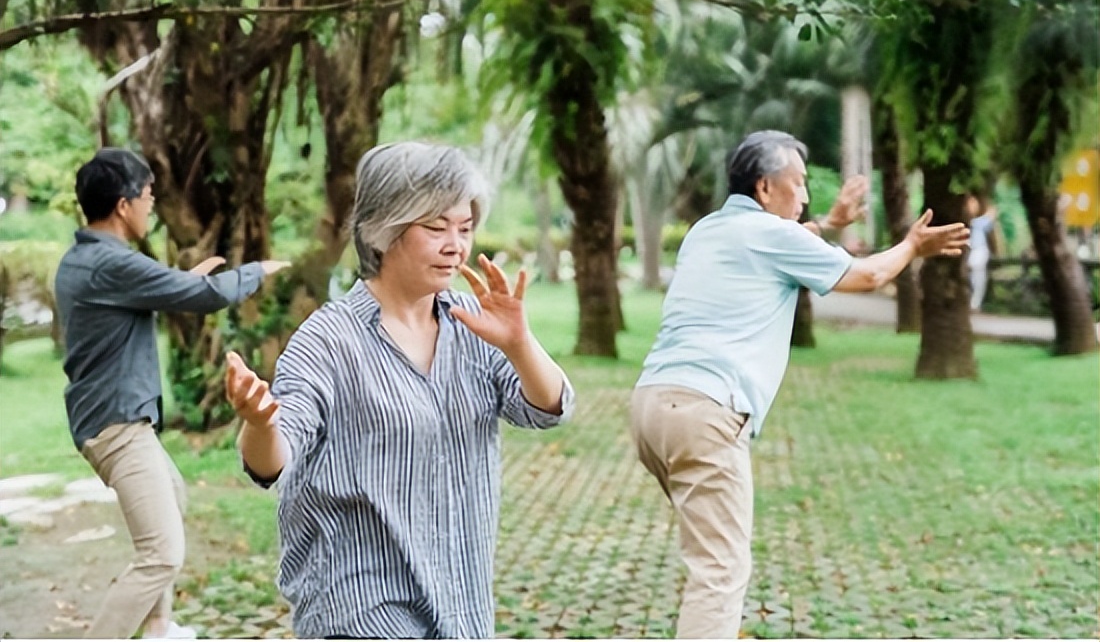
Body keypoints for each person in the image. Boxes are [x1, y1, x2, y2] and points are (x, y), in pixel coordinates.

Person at [225, 141, 575, 639]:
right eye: (435, 228)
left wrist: (520, 344)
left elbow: (549, 409)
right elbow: (272, 459)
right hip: (360, 609)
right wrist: (260, 422)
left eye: (465, 228)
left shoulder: (471, 325)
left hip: (458, 607)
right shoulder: (329, 339)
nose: (455, 244)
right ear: (384, 229)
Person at [630, 130, 969, 639]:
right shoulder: (770, 236)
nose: (806, 195)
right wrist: (912, 246)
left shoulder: (709, 229)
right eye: (799, 183)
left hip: (652, 406)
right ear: (766, 188)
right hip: (706, 412)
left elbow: (789, 239)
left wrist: (829, 224)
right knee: (720, 573)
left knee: (709, 561)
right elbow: (868, 277)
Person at [53, 147, 289, 639]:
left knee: (173, 496)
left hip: (111, 418)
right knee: (161, 554)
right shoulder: (108, 264)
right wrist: (258, 271)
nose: (152, 207)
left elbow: (163, 291)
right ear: (123, 205)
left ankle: (160, 628)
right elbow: (204, 298)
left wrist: (183, 282)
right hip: (117, 424)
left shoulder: (91, 259)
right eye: (148, 196)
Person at [967, 194, 998, 311]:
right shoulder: (973, 223)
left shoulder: (978, 223)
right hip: (970, 252)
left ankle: (975, 303)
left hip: (978, 251)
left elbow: (989, 218)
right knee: (973, 277)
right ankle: (972, 302)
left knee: (978, 277)